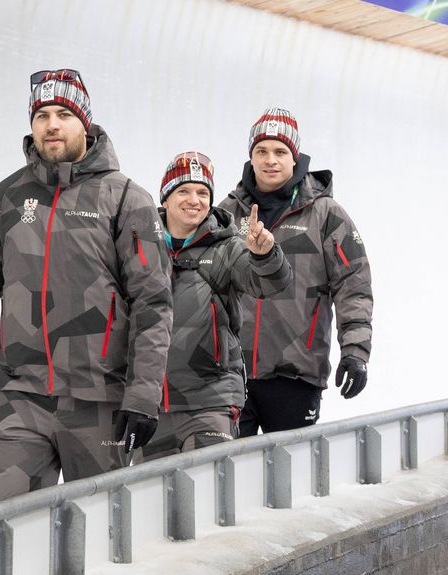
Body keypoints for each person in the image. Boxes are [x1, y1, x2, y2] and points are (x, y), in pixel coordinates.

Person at [0, 69, 172, 502]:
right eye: (42, 115)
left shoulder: (125, 199)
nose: (52, 125)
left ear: (85, 122)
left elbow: (153, 301)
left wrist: (143, 395)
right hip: (20, 397)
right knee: (11, 527)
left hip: (99, 401)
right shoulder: (5, 198)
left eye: (64, 113)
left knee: (103, 530)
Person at [216, 108, 373, 436]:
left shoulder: (325, 214)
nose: (270, 160)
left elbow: (353, 285)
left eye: (280, 152)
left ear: (295, 157)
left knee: (289, 479)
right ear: (251, 157)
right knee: (229, 477)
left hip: (296, 375)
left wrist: (355, 352)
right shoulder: (228, 214)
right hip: (233, 375)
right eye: (262, 151)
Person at [139, 151, 292, 460]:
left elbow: (268, 283)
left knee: (206, 493)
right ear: (165, 198)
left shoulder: (228, 246)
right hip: (151, 405)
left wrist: (264, 255)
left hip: (211, 401)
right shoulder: (139, 246)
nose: (194, 200)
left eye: (202, 192)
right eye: (184, 190)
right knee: (149, 502)